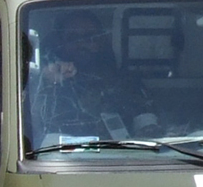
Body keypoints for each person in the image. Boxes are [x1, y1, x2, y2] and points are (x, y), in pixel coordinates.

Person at [28, 11, 159, 142]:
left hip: (123, 158)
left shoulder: (127, 83)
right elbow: (34, 129)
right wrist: (45, 81)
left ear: (101, 41)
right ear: (61, 43)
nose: (82, 44)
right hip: (60, 159)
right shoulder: (49, 81)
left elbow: (148, 126)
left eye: (89, 37)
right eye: (73, 38)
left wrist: (142, 137)